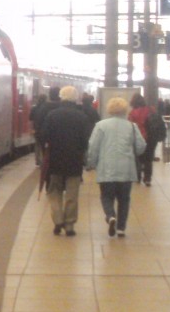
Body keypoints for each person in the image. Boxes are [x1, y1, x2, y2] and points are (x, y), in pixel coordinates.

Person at [86, 95, 145, 238]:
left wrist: (91, 163)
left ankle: (110, 216)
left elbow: (93, 147)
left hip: (107, 168)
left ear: (109, 110)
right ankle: (121, 228)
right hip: (126, 169)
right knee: (124, 199)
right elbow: (141, 146)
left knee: (106, 196)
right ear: (125, 110)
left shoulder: (101, 125)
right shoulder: (132, 126)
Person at [40, 86, 94, 236]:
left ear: (61, 97)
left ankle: (58, 219)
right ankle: (69, 224)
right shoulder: (81, 117)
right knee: (72, 193)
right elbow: (85, 140)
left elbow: (44, 136)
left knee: (54, 191)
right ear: (75, 98)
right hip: (74, 160)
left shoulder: (52, 115)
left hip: (55, 159)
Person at [29, 93, 49, 167]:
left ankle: (38, 160)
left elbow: (31, 120)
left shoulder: (34, 108)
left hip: (36, 129)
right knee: (43, 145)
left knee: (37, 145)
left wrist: (32, 129)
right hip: (44, 130)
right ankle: (43, 161)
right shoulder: (47, 108)